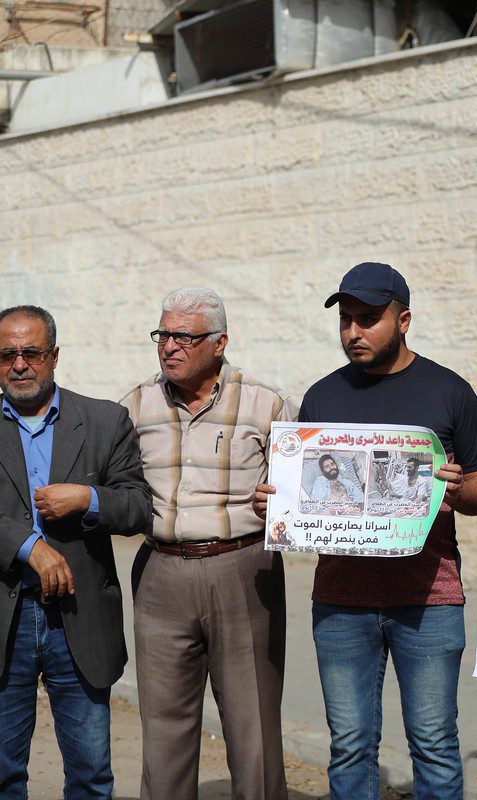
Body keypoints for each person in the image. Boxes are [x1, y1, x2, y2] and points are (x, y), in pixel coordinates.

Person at [255, 262, 477, 800]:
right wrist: (271, 501)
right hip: (341, 602)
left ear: (403, 319)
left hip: (428, 598)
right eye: (345, 320)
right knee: (350, 744)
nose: (352, 333)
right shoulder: (321, 397)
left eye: (367, 319)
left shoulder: (450, 392)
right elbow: (298, 492)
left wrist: (457, 490)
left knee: (433, 743)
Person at [121, 286, 296, 800]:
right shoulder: (133, 405)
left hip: (243, 570)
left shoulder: (270, 404)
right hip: (161, 573)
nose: (169, 346)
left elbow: (309, 492)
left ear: (219, 343)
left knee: (253, 727)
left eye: (183, 336)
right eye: (163, 334)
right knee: (163, 729)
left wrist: (280, 503)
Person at [0, 305, 151, 800]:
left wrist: (89, 499)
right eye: (7, 355)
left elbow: (137, 508)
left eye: (31, 352)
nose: (19, 364)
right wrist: (30, 548)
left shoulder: (105, 420)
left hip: (79, 619)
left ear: (55, 355)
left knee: (90, 775)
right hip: (8, 618)